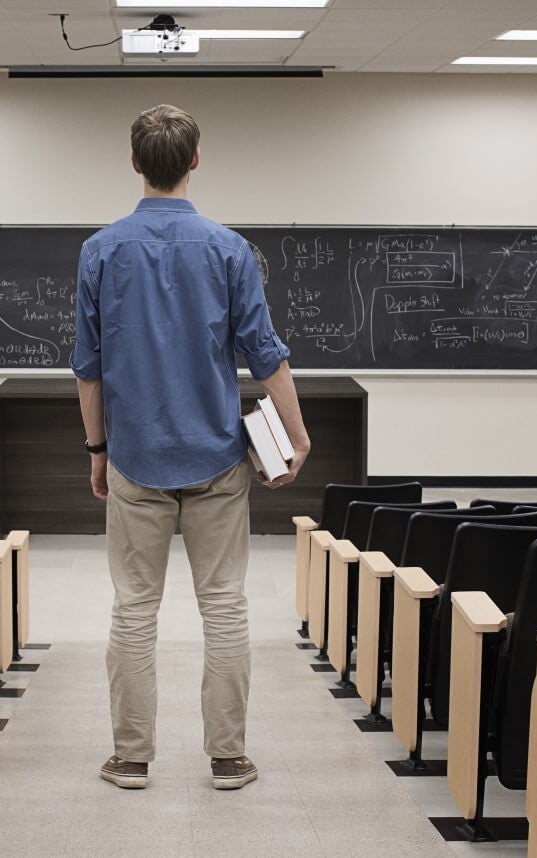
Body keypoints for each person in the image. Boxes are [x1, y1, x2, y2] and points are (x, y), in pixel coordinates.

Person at [71, 104, 311, 792]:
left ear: (135, 163)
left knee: (133, 610)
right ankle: (228, 758)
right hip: (215, 459)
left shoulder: (100, 251)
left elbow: (87, 367)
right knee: (225, 606)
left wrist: (97, 450)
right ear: (195, 161)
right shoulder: (228, 249)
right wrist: (294, 435)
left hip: (135, 460)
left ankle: (131, 757)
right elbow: (265, 356)